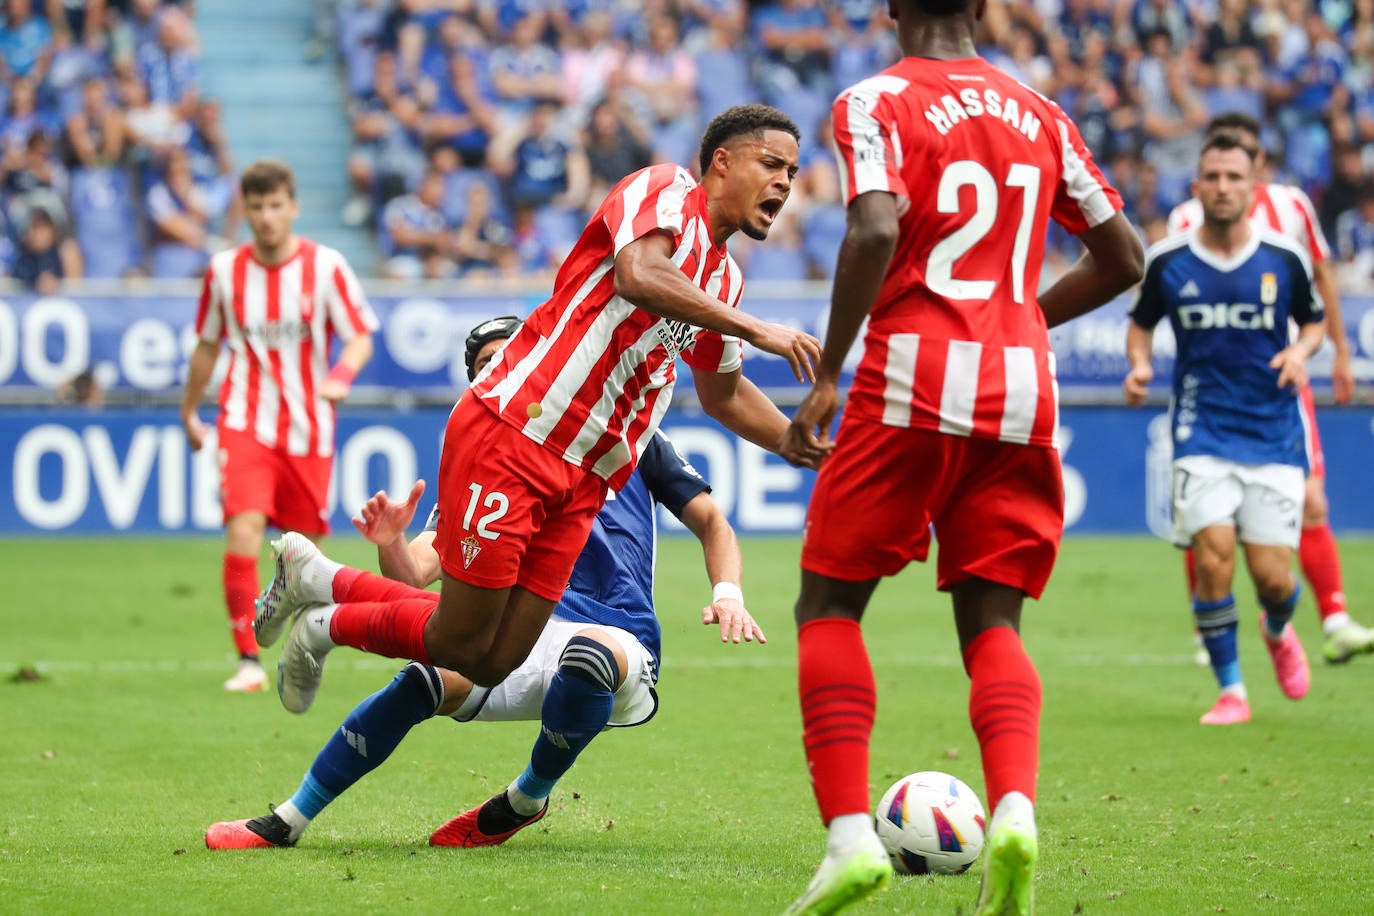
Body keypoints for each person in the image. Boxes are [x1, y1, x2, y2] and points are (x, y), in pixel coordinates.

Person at [253, 104, 826, 717]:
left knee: (492, 660)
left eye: (792, 172)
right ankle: (322, 609)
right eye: (771, 164)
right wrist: (756, 329)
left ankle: (323, 590)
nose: (785, 183)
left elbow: (723, 394)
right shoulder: (664, 189)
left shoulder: (724, 282)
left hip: (585, 477)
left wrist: (805, 444)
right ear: (723, 161)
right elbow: (637, 275)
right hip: (518, 430)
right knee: (454, 638)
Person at [776, 1, 1145, 912]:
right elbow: (1126, 257)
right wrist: (1019, 323)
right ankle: (1014, 812)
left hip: (912, 378)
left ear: (893, 7)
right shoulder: (1043, 112)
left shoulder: (877, 101)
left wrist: (827, 373)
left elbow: (871, 230)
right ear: (983, 7)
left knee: (828, 604)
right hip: (1021, 388)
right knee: (993, 625)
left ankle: (851, 840)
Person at [206, 318, 761, 849]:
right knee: (417, 683)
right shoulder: (486, 463)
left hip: (618, 634)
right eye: (486, 364)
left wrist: (728, 594)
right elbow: (417, 574)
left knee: (588, 659)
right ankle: (289, 819)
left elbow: (712, 520)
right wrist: (391, 540)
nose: (502, 368)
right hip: (519, 635)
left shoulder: (628, 430)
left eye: (511, 355)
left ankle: (525, 799)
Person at [1125, 130, 1325, 726]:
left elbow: (1313, 323)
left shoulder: (1283, 257)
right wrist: (1140, 363)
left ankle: (1278, 625)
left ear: (1253, 187)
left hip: (1272, 432)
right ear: (1196, 187)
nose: (1222, 188)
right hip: (1200, 429)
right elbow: (1141, 324)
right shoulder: (1167, 259)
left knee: (1272, 577)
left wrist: (1302, 353)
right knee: (1213, 559)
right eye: (1212, 177)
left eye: (1234, 178)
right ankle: (1231, 690)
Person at [1165, 112, 1374, 666]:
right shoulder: (1185, 218)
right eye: (1218, 170)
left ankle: (1334, 619)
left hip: (1281, 380)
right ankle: (1208, 628)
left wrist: (1340, 353)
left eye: (1247, 162)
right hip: (1208, 389)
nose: (1231, 179)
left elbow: (1322, 278)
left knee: (1311, 500)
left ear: (1259, 166)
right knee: (1207, 524)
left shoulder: (1292, 207)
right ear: (1204, 174)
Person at [180, 160, 377, 693]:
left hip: (309, 426)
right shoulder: (224, 272)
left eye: (275, 206)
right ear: (244, 210)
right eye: (257, 207)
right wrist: (189, 410)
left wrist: (339, 376)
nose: (267, 218)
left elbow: (359, 336)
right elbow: (206, 345)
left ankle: (297, 649)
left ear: (292, 207)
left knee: (304, 552)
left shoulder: (326, 266)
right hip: (244, 420)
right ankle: (247, 659)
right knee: (243, 527)